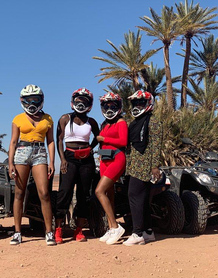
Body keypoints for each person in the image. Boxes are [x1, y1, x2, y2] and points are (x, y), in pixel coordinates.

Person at [8, 84, 56, 246]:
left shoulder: (48, 119)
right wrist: (10, 163)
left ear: (41, 100)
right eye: (28, 100)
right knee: (19, 194)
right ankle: (17, 232)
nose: (32, 103)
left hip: (40, 153)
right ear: (23, 101)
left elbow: (50, 141)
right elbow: (13, 142)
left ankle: (49, 232)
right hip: (21, 152)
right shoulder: (18, 119)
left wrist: (51, 161)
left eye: (35, 99)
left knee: (44, 193)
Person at [54, 88, 100, 244]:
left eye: (84, 101)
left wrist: (91, 148)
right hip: (69, 158)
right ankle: (58, 228)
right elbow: (59, 140)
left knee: (84, 195)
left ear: (90, 104)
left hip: (87, 160)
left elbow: (98, 137)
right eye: (78, 100)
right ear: (73, 102)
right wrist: (62, 159)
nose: (81, 104)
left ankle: (79, 230)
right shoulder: (65, 119)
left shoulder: (91, 122)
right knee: (64, 192)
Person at [123, 90, 163, 246]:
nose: (137, 106)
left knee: (134, 195)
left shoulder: (153, 122)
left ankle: (137, 233)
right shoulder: (134, 123)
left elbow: (155, 145)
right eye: (135, 103)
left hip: (144, 164)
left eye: (140, 103)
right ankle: (148, 231)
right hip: (134, 163)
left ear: (148, 104)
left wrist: (154, 166)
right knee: (143, 198)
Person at [95, 92, 127, 245]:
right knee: (108, 193)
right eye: (106, 105)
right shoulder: (104, 124)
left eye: (112, 105)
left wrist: (104, 139)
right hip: (104, 159)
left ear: (118, 106)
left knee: (99, 191)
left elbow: (123, 141)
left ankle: (116, 226)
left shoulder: (121, 122)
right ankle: (111, 228)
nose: (109, 108)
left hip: (117, 158)